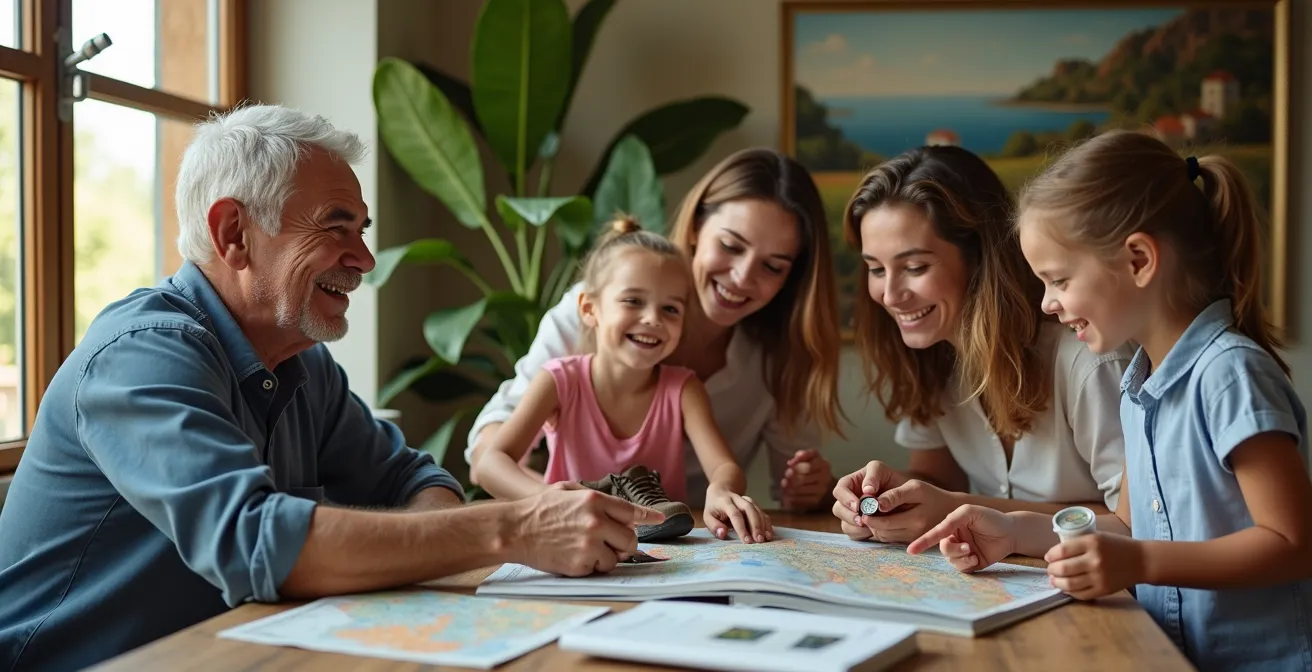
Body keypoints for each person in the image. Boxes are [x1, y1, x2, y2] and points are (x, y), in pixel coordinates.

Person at [0, 105, 664, 671]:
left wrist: (455, 536)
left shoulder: (300, 360)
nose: (366, 260)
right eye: (335, 226)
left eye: (362, 231)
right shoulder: (142, 355)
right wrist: (513, 527)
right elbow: (259, 542)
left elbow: (410, 479)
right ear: (233, 232)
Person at [909, 130, 1312, 671]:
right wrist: (1016, 531)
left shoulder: (1230, 375)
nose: (1048, 305)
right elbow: (1125, 527)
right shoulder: (1138, 386)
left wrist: (1141, 562)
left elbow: (1292, 542)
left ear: (1139, 260)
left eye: (1058, 280)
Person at [467, 148, 846, 511]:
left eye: (773, 267)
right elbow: (488, 452)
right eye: (731, 245)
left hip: (683, 542)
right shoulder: (595, 305)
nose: (742, 277)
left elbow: (788, 487)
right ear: (697, 226)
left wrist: (809, 487)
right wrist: (553, 499)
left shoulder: (771, 359)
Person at [830, 145, 1132, 544]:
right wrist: (888, 500)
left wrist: (952, 508)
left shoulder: (1089, 359)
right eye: (874, 269)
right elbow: (938, 480)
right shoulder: (933, 353)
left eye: (915, 267)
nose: (889, 294)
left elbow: (1132, 524)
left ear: (980, 257)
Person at [472, 217, 773, 543]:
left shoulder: (684, 389)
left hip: (661, 552)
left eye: (670, 309)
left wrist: (721, 489)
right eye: (633, 301)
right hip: (568, 542)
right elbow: (491, 464)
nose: (652, 319)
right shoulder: (558, 380)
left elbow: (724, 466)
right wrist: (548, 498)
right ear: (589, 309)